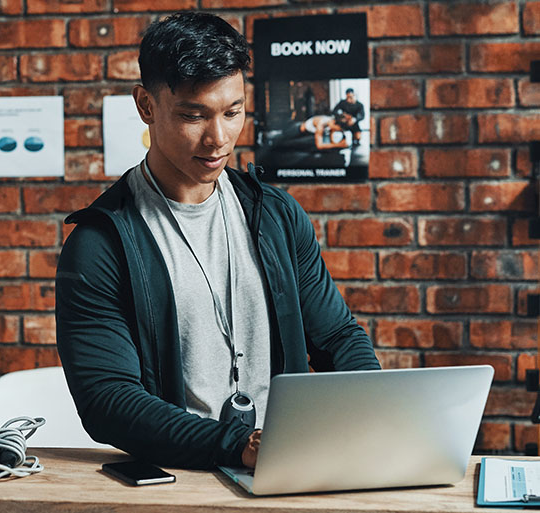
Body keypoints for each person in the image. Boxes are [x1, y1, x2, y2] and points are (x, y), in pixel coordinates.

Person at [55, 12, 380, 471]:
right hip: (179, 478)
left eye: (233, 112)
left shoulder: (277, 216)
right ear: (146, 106)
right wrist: (237, 445)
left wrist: (379, 411)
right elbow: (107, 400)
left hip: (287, 467)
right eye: (193, 115)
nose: (219, 138)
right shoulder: (100, 244)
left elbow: (338, 338)